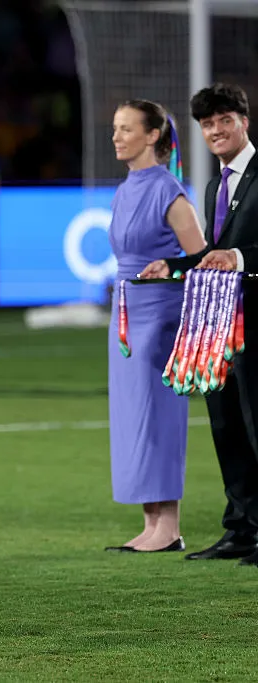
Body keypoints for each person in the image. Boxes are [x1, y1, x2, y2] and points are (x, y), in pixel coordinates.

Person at [142, 83, 258, 564]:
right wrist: (175, 265)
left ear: (244, 122)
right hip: (218, 325)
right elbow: (211, 256)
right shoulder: (215, 185)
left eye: (223, 120)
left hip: (252, 320)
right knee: (226, 426)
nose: (215, 131)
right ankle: (243, 528)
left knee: (255, 426)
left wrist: (236, 256)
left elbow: (230, 255)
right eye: (207, 124)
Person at [104, 100, 205, 553]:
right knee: (131, 419)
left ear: (151, 136)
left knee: (159, 416)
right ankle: (150, 523)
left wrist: (171, 270)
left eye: (126, 129)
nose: (117, 137)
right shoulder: (126, 187)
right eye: (115, 129)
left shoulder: (169, 190)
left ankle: (170, 525)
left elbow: (204, 261)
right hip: (125, 313)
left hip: (160, 316)